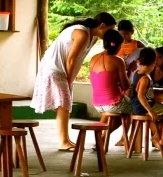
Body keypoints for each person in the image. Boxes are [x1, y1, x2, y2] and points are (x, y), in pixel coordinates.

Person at [32, 13, 116, 150]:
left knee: (64, 105)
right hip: (53, 67)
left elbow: (78, 59)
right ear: (102, 25)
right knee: (64, 104)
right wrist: (69, 80)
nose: (110, 33)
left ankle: (65, 140)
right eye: (110, 29)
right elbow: (71, 59)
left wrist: (70, 79)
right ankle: (63, 141)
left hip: (61, 69)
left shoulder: (93, 37)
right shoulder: (82, 33)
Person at [90, 29, 132, 115]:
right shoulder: (118, 60)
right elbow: (125, 86)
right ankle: (114, 125)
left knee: (120, 107)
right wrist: (129, 70)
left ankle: (107, 123)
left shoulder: (93, 58)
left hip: (97, 104)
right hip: (113, 103)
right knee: (133, 105)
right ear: (119, 46)